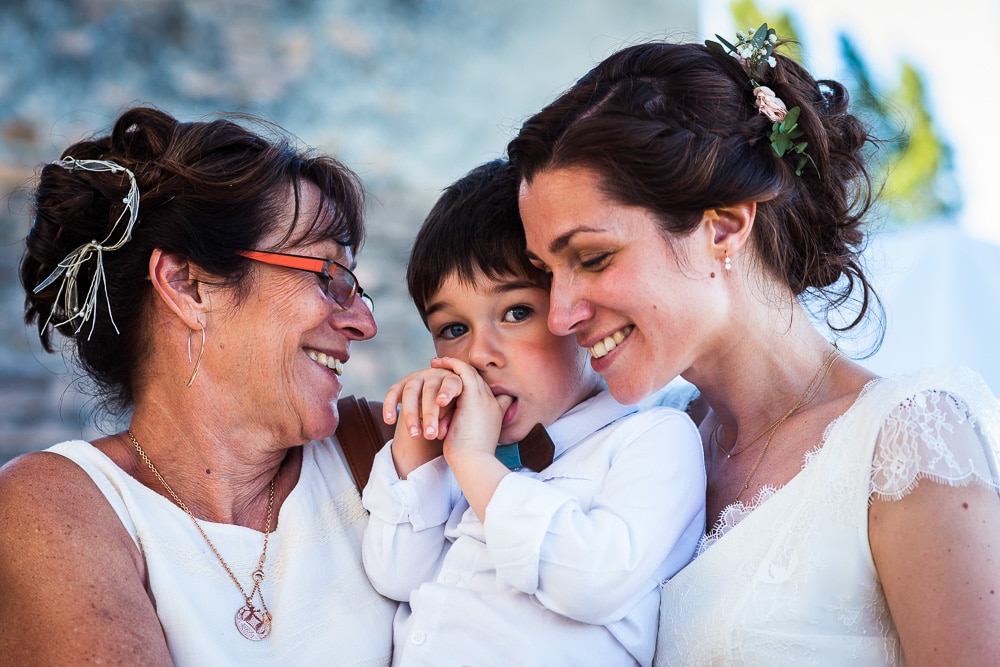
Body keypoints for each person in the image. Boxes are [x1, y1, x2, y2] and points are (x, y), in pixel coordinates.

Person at [507, 24, 1000, 665]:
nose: (561, 314)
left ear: (725, 226)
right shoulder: (642, 438)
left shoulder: (905, 441)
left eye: (593, 258)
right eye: (547, 273)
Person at [0, 106, 397, 664]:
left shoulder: (383, 453)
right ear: (188, 286)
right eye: (329, 275)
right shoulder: (55, 509)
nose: (364, 322)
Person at [361, 159, 706, 666]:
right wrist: (419, 455)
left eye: (517, 312)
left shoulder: (653, 438)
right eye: (453, 329)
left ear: (573, 312)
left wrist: (478, 466)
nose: (479, 354)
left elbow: (594, 583)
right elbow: (395, 575)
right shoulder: (459, 459)